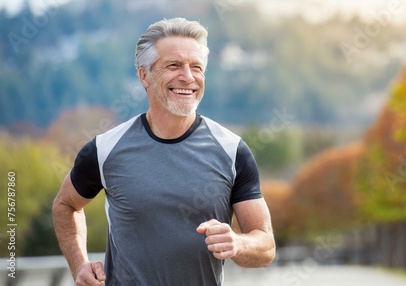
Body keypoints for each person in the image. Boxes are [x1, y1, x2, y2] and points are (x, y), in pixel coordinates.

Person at [52, 17, 275, 286]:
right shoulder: (104, 149)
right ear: (144, 75)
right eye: (174, 65)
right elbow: (66, 205)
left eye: (197, 67)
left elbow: (266, 245)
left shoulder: (232, 151)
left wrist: (238, 243)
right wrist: (79, 264)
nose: (188, 77)